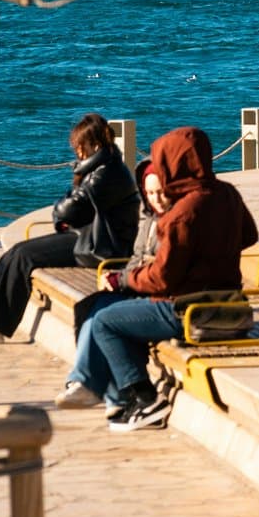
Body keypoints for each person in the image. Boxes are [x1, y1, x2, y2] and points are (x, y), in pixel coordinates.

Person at [55, 126, 258, 432]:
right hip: (228, 303)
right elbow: (249, 235)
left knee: (106, 321)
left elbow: (163, 279)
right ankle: (117, 397)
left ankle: (144, 399)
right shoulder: (226, 193)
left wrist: (124, 280)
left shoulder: (182, 215)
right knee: (120, 315)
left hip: (188, 309)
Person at [0, 113, 138, 340]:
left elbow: (68, 210)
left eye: (81, 147)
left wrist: (64, 207)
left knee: (25, 256)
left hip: (102, 247)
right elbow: (73, 208)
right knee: (17, 251)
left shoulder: (107, 174)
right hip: (88, 237)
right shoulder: (102, 168)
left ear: (96, 145)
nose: (78, 153)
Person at [55, 163, 168, 417]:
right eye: (150, 194)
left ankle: (101, 388)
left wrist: (123, 280)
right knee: (91, 307)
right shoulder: (150, 220)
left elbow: (163, 270)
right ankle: (102, 390)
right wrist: (119, 276)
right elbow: (137, 258)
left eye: (160, 192)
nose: (156, 199)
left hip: (158, 293)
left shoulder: (175, 222)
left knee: (106, 317)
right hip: (139, 284)